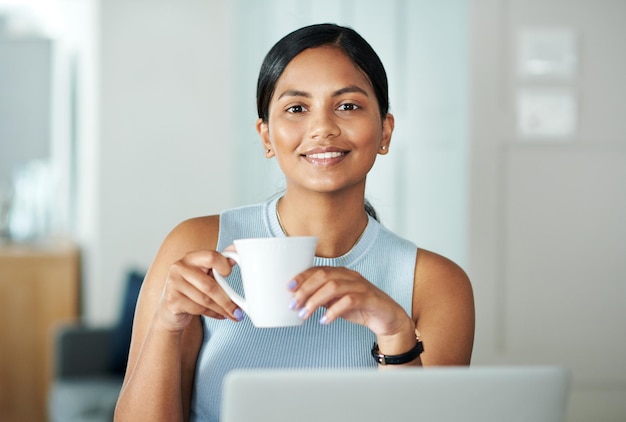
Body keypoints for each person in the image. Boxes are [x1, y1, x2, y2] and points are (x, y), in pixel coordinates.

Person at [114, 23, 474, 422]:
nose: (323, 128)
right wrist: (166, 326)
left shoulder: (437, 285)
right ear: (266, 136)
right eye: (297, 108)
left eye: (348, 105)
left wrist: (396, 334)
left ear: (385, 131)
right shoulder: (196, 246)